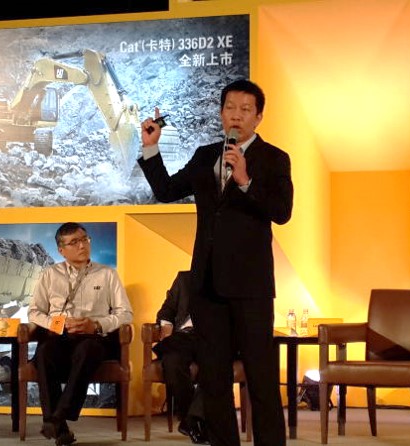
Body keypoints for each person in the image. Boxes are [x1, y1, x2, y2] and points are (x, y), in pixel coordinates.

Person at [138, 79, 292, 446]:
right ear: (221, 113)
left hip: (251, 286)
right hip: (207, 285)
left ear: (258, 117)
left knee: (261, 377)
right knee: (214, 378)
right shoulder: (205, 155)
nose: (236, 115)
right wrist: (151, 148)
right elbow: (166, 191)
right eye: (230, 108)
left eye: (245, 109)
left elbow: (282, 212)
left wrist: (245, 181)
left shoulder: (274, 158)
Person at [27, 222, 133, 446]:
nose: (82, 245)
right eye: (74, 242)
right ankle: (60, 427)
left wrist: (96, 325)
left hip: (95, 338)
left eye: (85, 239)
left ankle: (57, 417)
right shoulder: (50, 274)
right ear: (61, 250)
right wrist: (59, 324)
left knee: (88, 349)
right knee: (44, 353)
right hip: (61, 336)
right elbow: (35, 312)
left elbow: (125, 314)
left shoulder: (107, 274)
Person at [154, 270, 209, 444]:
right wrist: (166, 325)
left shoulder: (228, 280)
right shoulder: (184, 279)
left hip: (212, 338)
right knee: (172, 361)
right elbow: (166, 311)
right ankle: (190, 419)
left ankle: (191, 419)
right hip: (184, 335)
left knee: (215, 365)